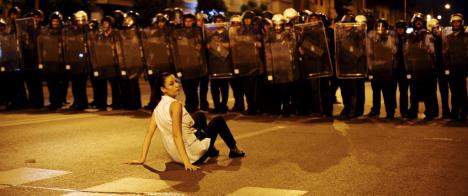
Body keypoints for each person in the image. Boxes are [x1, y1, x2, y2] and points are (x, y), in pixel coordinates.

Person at [126, 72, 245, 171]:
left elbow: (149, 134)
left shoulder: (157, 108)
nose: (176, 85)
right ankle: (234, 150)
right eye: (171, 84)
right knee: (218, 121)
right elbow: (177, 135)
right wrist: (187, 162)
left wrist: (142, 159)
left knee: (199, 115)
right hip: (193, 155)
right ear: (163, 89)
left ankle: (212, 150)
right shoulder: (175, 105)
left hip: (174, 155)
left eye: (176, 81)